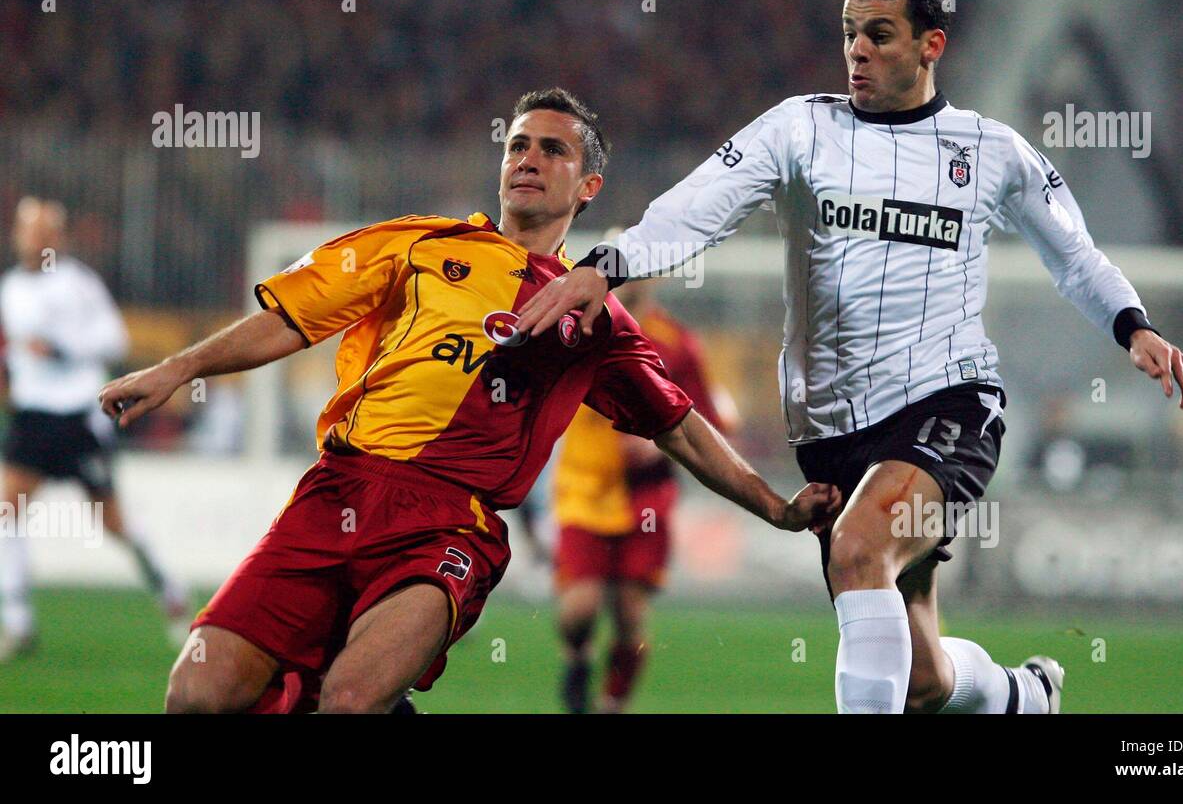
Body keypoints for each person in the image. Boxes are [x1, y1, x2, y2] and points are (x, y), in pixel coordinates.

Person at [514, 0, 1183, 714]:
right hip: (832, 433)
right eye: (849, 34)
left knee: (862, 546)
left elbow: (1076, 256)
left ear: (931, 45)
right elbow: (698, 207)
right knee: (920, 680)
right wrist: (608, 265)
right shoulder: (801, 129)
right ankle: (1023, 696)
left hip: (949, 403)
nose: (857, 51)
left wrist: (1132, 325)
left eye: (879, 34)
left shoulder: (989, 152)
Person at [98, 88, 840, 714]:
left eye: (554, 150)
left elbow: (679, 426)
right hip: (334, 494)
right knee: (195, 696)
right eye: (518, 145)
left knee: (352, 702)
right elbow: (292, 318)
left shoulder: (594, 317)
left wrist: (775, 507)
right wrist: (178, 368)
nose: (528, 159)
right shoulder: (421, 245)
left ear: (589, 188)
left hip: (449, 523)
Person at [1, 197, 189, 661]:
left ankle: (169, 588)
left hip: (77, 417)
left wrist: (62, 348)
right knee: (6, 511)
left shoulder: (78, 284)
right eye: (28, 230)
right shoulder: (9, 289)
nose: (35, 239)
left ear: (57, 238)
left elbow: (115, 339)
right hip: (33, 416)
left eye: (44, 231)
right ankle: (17, 621)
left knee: (113, 522)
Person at [552, 277, 737, 712]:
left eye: (637, 270)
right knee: (580, 609)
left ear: (653, 277)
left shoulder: (677, 343)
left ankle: (612, 704)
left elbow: (705, 421)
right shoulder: (573, 326)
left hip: (646, 499)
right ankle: (577, 656)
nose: (628, 279)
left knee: (630, 616)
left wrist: (657, 443)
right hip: (585, 486)